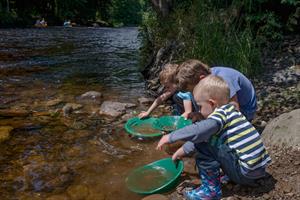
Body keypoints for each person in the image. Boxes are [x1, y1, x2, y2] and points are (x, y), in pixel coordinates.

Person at [157, 75, 271, 200]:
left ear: (211, 103)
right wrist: (179, 152)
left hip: (245, 174)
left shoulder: (218, 116)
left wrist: (171, 136)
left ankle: (210, 191)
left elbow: (200, 132)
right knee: (210, 141)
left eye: (200, 106)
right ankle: (229, 175)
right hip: (258, 170)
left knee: (203, 145)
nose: (199, 111)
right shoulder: (231, 112)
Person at [176, 59, 257, 121]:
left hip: (245, 111)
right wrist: (199, 114)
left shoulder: (223, 78)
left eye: (193, 90)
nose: (193, 94)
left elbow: (234, 109)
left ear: (202, 78)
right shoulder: (207, 78)